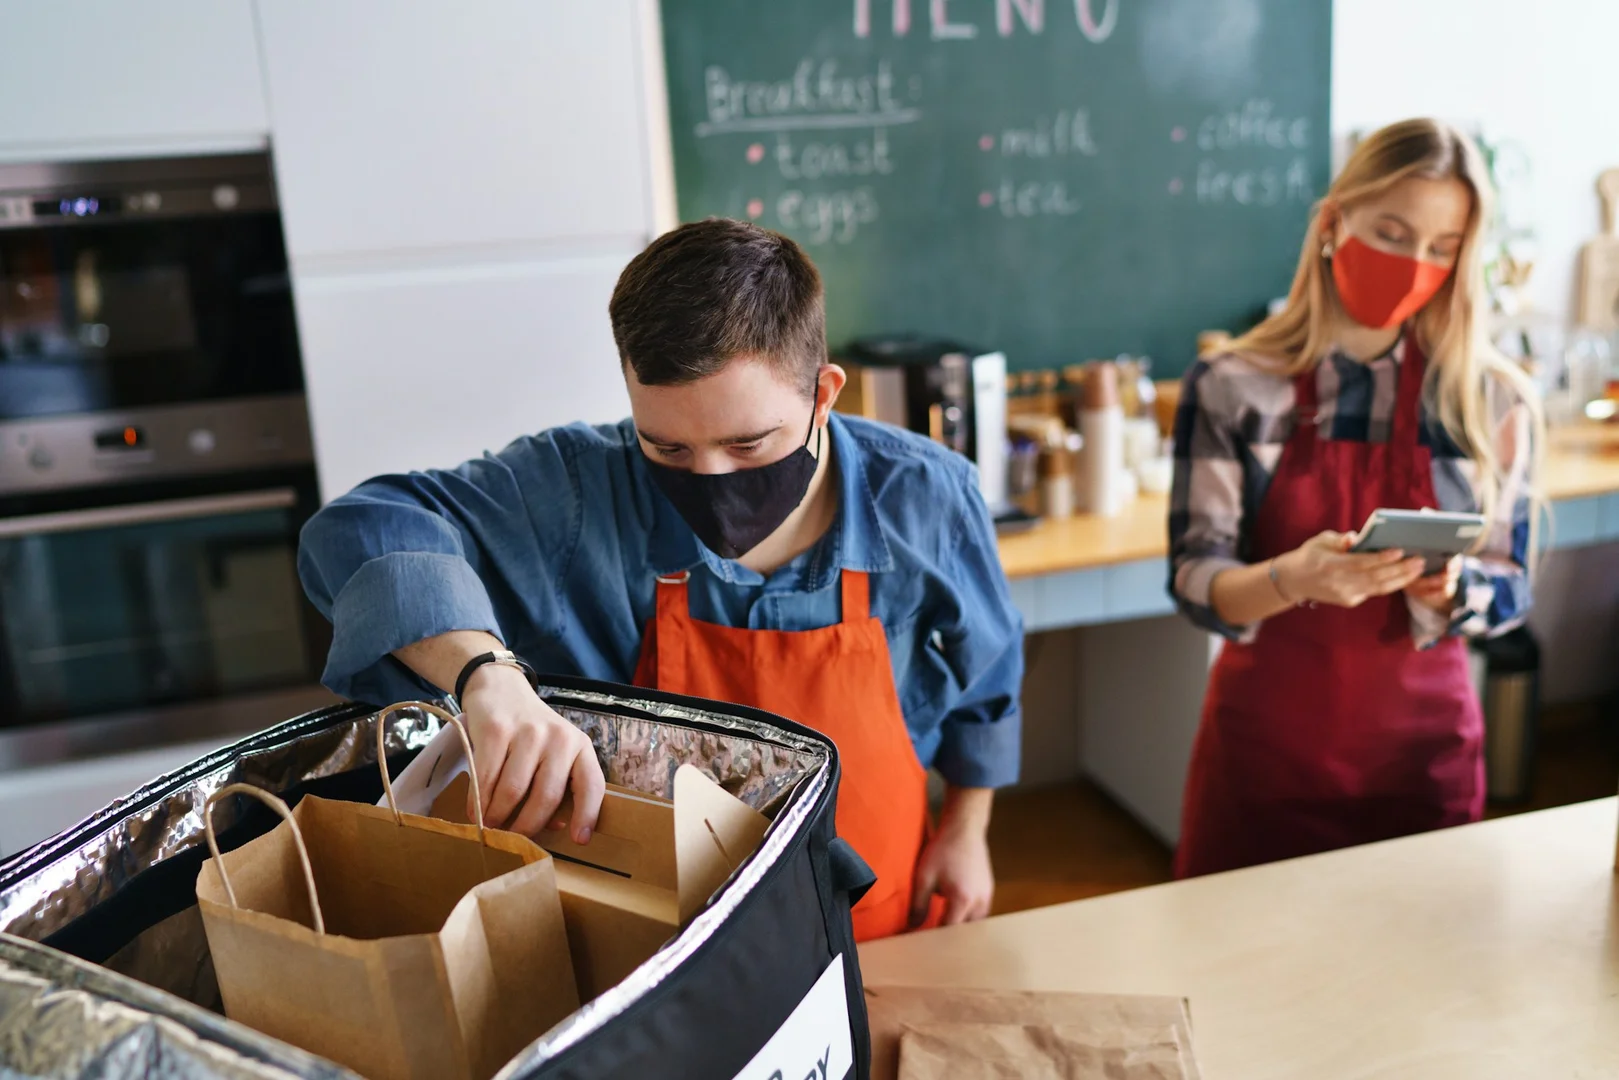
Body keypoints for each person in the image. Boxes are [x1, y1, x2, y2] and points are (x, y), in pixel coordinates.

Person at [297, 218, 1023, 939]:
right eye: (667, 446)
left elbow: (986, 689)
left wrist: (967, 828)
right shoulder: (579, 490)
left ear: (823, 395)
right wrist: (486, 674)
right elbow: (364, 527)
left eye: (747, 443)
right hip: (650, 939)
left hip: (866, 920)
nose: (707, 477)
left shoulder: (929, 498)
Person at [1168, 118, 1542, 878]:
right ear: (1333, 224)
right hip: (1266, 766)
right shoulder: (1234, 386)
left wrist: (1455, 589)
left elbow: (1513, 583)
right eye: (1393, 233)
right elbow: (1195, 580)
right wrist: (1290, 579)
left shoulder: (1490, 401)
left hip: (1423, 767)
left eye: (1441, 249)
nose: (1413, 265)